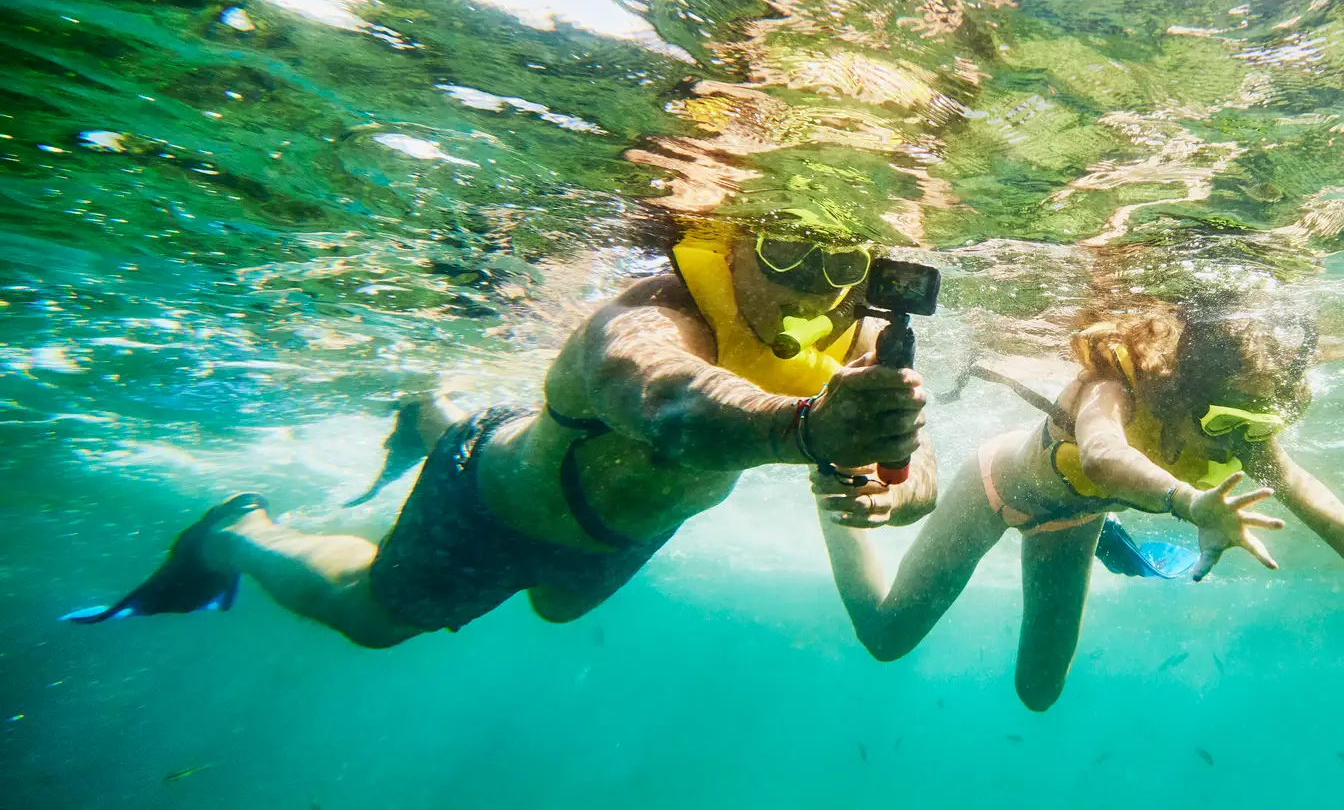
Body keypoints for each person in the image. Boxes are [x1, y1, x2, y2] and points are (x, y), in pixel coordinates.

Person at [64, 221, 936, 645]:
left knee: (558, 610)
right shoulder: (646, 314)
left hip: (612, 543)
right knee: (374, 618)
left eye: (840, 263)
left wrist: (893, 489)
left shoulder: (856, 340)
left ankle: (435, 416)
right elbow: (674, 407)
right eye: (788, 250)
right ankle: (237, 533)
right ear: (728, 242)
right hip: (495, 503)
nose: (815, 287)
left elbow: (921, 471)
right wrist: (808, 430)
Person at [818, 304, 1344, 710]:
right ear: (1185, 390)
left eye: (1259, 427)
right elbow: (1109, 456)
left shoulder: (1243, 433)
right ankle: (830, 503)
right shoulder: (1119, 389)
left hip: (1074, 521)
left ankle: (1091, 531)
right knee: (887, 635)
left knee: (1038, 694)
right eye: (1226, 422)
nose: (1242, 442)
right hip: (997, 490)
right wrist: (1191, 504)